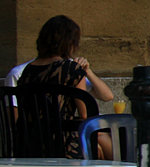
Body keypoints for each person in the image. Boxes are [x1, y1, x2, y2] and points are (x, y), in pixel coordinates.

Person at [17, 15, 115, 159]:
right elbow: (85, 114)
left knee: (98, 142)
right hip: (62, 146)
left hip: (30, 146)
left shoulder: (27, 71)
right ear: (69, 43)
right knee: (99, 137)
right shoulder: (70, 69)